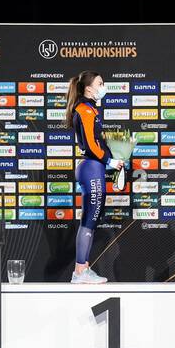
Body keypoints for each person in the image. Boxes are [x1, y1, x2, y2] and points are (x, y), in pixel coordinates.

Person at [65, 71, 124, 284]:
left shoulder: (90, 109)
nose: (103, 86)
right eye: (100, 83)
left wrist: (110, 159)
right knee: (89, 221)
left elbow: (96, 143)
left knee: (91, 220)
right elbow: (90, 144)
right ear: (88, 88)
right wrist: (109, 161)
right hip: (91, 167)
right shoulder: (85, 109)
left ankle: (82, 269)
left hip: (93, 168)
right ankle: (80, 272)